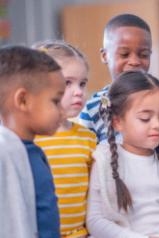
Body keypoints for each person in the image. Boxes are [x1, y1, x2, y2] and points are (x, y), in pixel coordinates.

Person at [86, 70, 159, 238]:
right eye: (145, 118)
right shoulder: (105, 160)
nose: (157, 125)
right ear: (117, 121)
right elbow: (95, 221)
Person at [32, 41, 96, 238]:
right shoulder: (30, 138)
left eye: (82, 83)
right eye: (68, 82)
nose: (78, 91)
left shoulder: (88, 138)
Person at [0, 45, 64, 237]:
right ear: (23, 101)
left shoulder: (33, 153)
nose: (63, 111)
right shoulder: (8, 155)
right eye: (55, 101)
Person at [79, 14, 152, 143]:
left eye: (144, 55)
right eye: (124, 54)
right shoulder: (92, 109)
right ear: (105, 56)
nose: (134, 61)